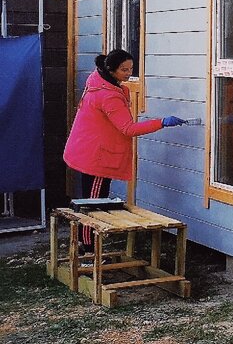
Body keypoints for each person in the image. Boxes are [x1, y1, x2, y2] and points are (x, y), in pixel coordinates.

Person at [63, 50, 187, 242]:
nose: (129, 73)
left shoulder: (98, 82)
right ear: (111, 69)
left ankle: (86, 245)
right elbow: (128, 128)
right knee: (94, 205)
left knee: (94, 201)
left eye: (131, 68)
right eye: (124, 70)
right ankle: (86, 249)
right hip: (97, 158)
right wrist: (162, 122)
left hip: (89, 150)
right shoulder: (108, 96)